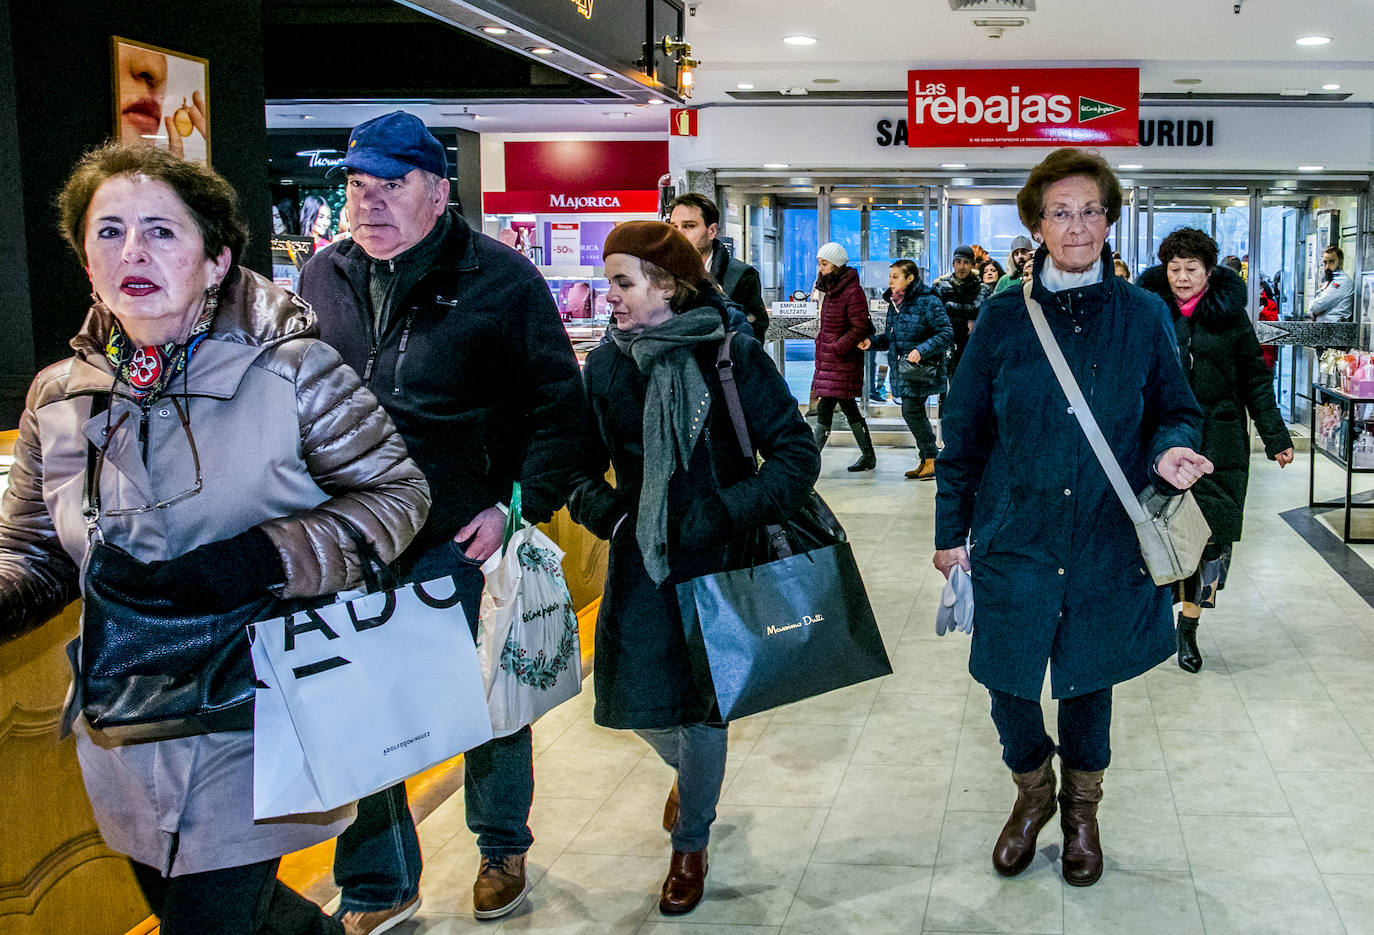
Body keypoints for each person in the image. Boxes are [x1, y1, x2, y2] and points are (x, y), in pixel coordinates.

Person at [0, 142, 430, 935]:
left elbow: (398, 495)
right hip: (128, 719)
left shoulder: (293, 368)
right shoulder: (58, 396)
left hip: (261, 708)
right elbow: (33, 551)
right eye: (110, 231)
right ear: (84, 257)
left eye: (161, 232)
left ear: (215, 257)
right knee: (237, 915)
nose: (133, 251)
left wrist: (259, 559)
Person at [299, 111, 584, 931]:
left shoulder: (502, 278)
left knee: (484, 699)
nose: (371, 202)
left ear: (437, 190)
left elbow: (559, 409)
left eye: (391, 185)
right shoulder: (324, 275)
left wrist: (514, 505)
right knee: (360, 709)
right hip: (347, 542)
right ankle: (379, 882)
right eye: (358, 185)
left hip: (459, 538)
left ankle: (501, 844)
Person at [933, 147, 1209, 888]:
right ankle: (1033, 790)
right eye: (1061, 211)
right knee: (1008, 679)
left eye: (1091, 209)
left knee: (1088, 682)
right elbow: (963, 434)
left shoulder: (1144, 315)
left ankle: (1083, 809)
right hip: (1013, 533)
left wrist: (1172, 450)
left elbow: (1176, 410)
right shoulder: (999, 320)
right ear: (1038, 224)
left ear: (1111, 219)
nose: (1077, 224)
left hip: (1105, 537)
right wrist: (948, 534)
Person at [567, 220, 818, 916]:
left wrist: (720, 511)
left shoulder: (732, 352)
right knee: (636, 698)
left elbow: (796, 455)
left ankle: (691, 841)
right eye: (610, 280)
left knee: (703, 705)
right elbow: (576, 464)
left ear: (667, 285)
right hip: (641, 562)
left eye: (623, 282)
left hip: (720, 560)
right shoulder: (609, 365)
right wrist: (611, 516)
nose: (608, 296)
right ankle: (693, 776)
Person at [1137, 228, 1294, 673]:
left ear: (1209, 272)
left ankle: (1188, 629)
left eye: (1192, 269)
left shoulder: (1231, 318)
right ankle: (1151, 619)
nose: (1183, 278)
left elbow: (1255, 381)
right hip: (1162, 442)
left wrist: (1276, 436)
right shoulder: (1149, 313)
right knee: (1157, 532)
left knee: (1210, 541)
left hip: (1220, 443)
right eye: (1175, 269)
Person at [869, 259, 951, 480]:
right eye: (890, 276)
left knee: (911, 411)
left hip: (921, 368)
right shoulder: (895, 303)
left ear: (910, 278)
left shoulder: (928, 301)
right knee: (912, 412)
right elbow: (892, 338)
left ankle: (932, 458)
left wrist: (922, 350)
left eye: (895, 276)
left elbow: (945, 333)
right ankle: (927, 460)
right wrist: (872, 342)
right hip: (903, 368)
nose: (890, 281)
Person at [810, 242, 877, 471]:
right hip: (831, 360)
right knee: (847, 407)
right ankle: (868, 455)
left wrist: (837, 347)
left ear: (837, 265)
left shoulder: (851, 292)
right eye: (819, 263)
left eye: (825, 264)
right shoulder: (831, 290)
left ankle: (808, 461)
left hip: (842, 360)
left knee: (826, 408)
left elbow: (859, 327)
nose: (821, 269)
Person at [667, 192, 770, 342]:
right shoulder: (660, 272)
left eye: (689, 226)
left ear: (712, 231)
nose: (679, 233)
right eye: (674, 226)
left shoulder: (740, 275)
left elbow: (754, 331)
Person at [933, 244, 990, 377]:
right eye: (958, 262)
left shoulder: (981, 288)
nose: (962, 267)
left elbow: (976, 309)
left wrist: (949, 306)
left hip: (970, 344)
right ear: (953, 264)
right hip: (946, 341)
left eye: (966, 262)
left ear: (972, 265)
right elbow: (935, 313)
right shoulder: (941, 286)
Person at [1310, 244, 1354, 321]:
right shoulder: (1330, 281)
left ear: (1340, 263)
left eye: (1331, 262)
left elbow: (1316, 306)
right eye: (1325, 263)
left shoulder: (1342, 282)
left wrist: (1311, 304)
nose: (1327, 267)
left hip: (1335, 329)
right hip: (1324, 327)